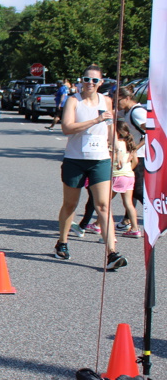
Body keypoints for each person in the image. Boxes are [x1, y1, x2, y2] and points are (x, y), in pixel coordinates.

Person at [54, 66, 127, 270]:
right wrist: (96, 120)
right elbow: (67, 128)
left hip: (100, 159)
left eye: (95, 80)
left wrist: (118, 150)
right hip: (75, 159)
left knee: (103, 205)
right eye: (87, 79)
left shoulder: (107, 101)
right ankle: (62, 242)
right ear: (81, 81)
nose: (90, 83)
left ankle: (112, 253)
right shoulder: (74, 101)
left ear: (101, 83)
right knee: (70, 204)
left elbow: (111, 128)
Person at [117, 86, 146, 230]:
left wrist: (134, 149)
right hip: (134, 154)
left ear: (127, 98)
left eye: (118, 101)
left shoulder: (137, 112)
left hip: (141, 155)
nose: (116, 104)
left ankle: (161, 218)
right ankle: (127, 220)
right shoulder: (126, 111)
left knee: (138, 190)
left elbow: (150, 132)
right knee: (131, 188)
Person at [111, 121, 142, 238]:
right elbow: (135, 161)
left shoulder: (114, 145)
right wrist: (128, 169)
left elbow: (111, 160)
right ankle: (135, 228)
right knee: (129, 203)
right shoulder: (130, 144)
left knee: (104, 203)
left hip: (117, 175)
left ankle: (101, 226)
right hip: (129, 175)